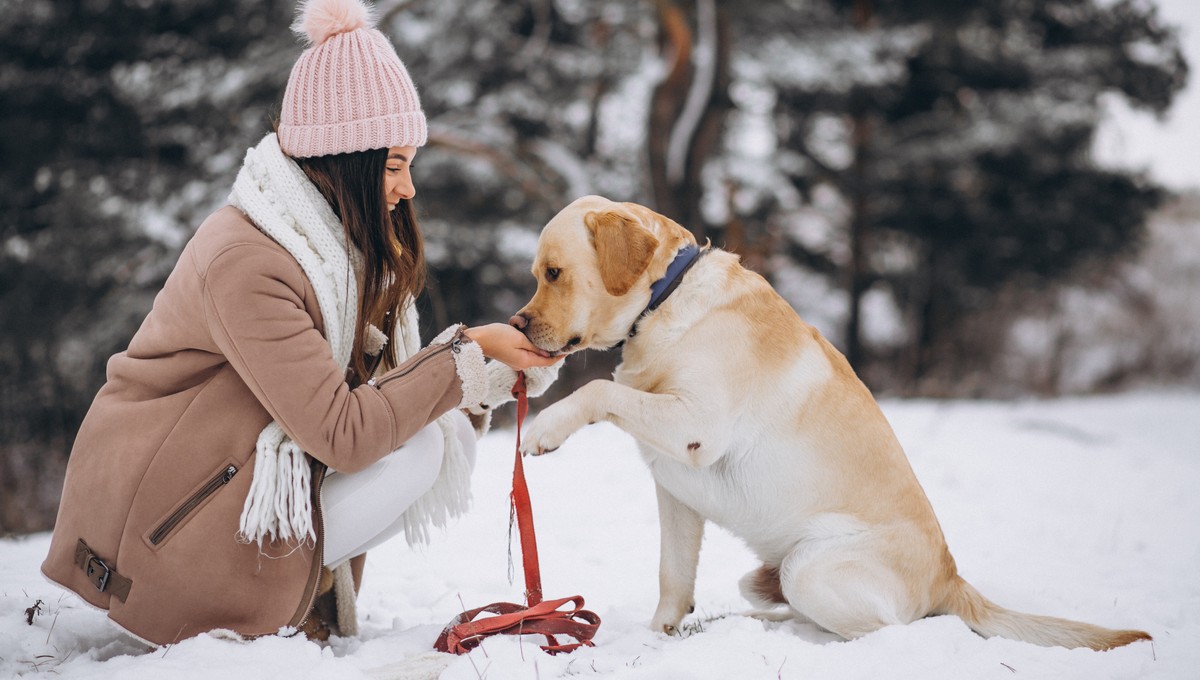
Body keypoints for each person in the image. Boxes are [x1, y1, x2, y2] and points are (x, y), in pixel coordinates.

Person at [41, 0, 560, 647]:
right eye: (395, 166)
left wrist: (482, 370)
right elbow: (345, 434)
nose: (408, 189)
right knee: (416, 451)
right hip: (157, 531)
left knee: (426, 440)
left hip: (207, 490)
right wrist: (467, 353)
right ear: (350, 160)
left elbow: (383, 402)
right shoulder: (251, 261)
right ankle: (230, 606)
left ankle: (287, 598)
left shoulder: (327, 251)